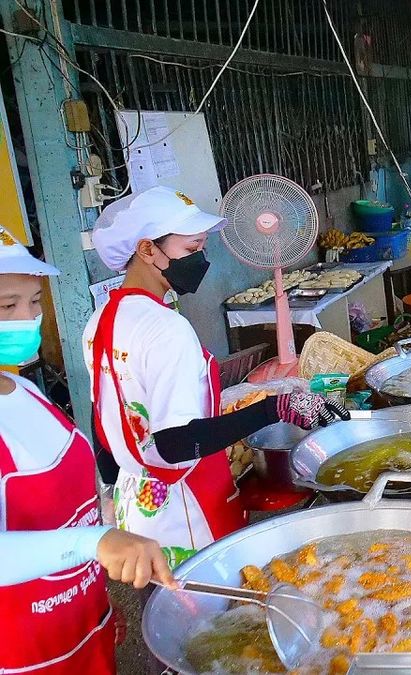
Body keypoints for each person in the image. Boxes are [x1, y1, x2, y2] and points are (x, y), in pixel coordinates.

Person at [84, 187, 348, 567]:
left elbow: (103, 414)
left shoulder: (100, 321)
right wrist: (276, 407)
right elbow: (175, 443)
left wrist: (112, 485)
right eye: (191, 250)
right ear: (147, 250)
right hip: (186, 512)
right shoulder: (166, 329)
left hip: (137, 509)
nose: (201, 261)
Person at [0, 225, 177, 674]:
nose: (27, 318)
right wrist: (91, 541)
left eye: (34, 302)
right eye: (8, 306)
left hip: (84, 628)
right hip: (25, 653)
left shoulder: (23, 390)